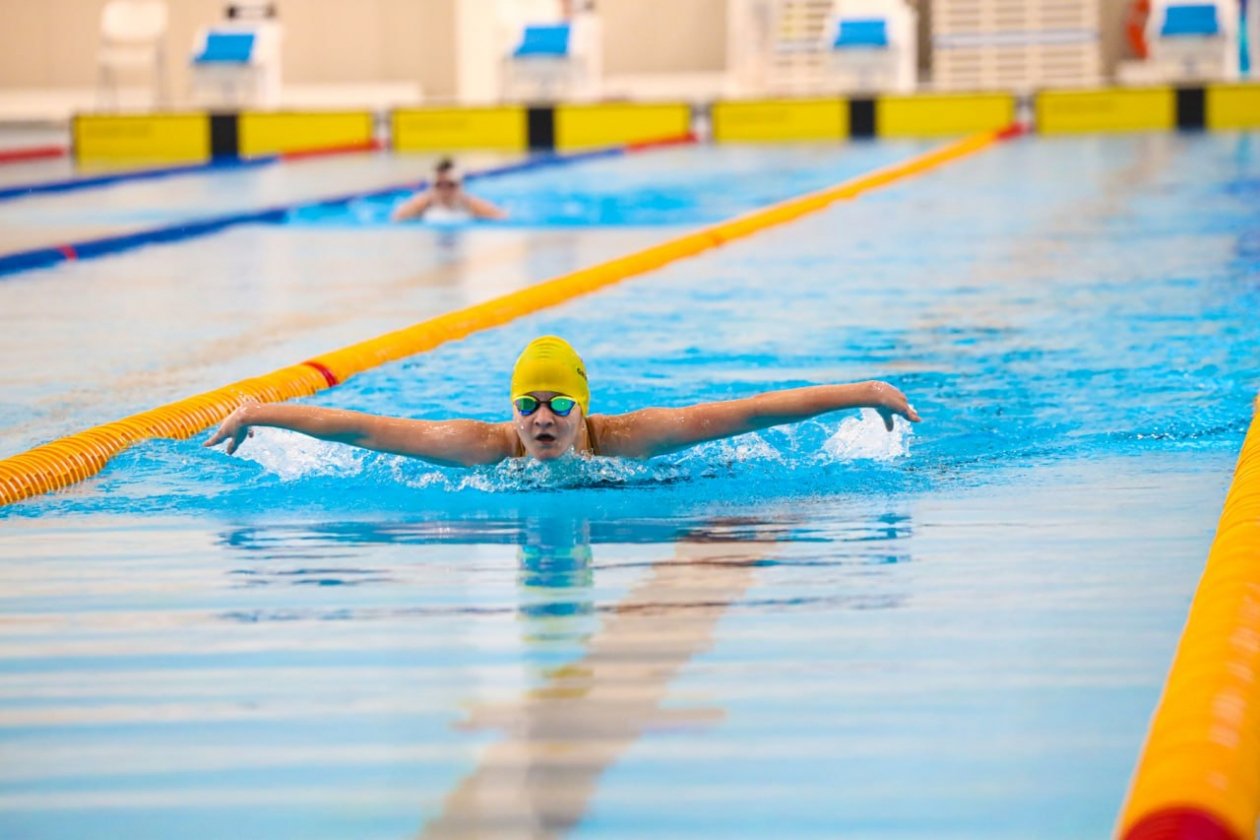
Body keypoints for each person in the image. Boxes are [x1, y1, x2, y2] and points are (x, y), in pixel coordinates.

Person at [206, 336, 921, 466]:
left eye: (556, 404)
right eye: (527, 405)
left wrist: (862, 392)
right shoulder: (480, 446)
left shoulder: (633, 437)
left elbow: (754, 411)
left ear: (584, 408)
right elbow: (363, 430)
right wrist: (257, 410)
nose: (542, 418)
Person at [390, 158, 507, 223]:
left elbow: (502, 217)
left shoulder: (470, 204)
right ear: (432, 186)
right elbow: (396, 218)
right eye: (439, 185)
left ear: (460, 186)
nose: (444, 191)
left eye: (450, 185)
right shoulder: (424, 202)